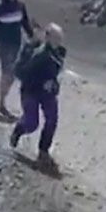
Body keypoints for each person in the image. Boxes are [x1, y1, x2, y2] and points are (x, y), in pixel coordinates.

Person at [9, 23, 67, 167]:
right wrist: (42, 82)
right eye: (56, 37)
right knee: (31, 123)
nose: (59, 40)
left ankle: (43, 151)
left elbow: (57, 72)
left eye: (60, 37)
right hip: (31, 91)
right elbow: (23, 73)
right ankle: (18, 130)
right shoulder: (38, 53)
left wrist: (53, 84)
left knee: (52, 119)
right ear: (48, 37)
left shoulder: (59, 53)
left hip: (48, 92)